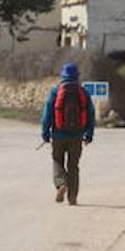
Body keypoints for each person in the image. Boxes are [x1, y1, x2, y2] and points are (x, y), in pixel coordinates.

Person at [41, 62, 95, 206]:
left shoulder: (56, 91)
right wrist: (89, 134)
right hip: (77, 136)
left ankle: (61, 183)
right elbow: (90, 114)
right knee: (73, 166)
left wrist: (45, 133)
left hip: (58, 135)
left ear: (63, 76)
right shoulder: (83, 92)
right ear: (77, 76)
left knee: (57, 160)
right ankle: (72, 197)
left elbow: (47, 114)